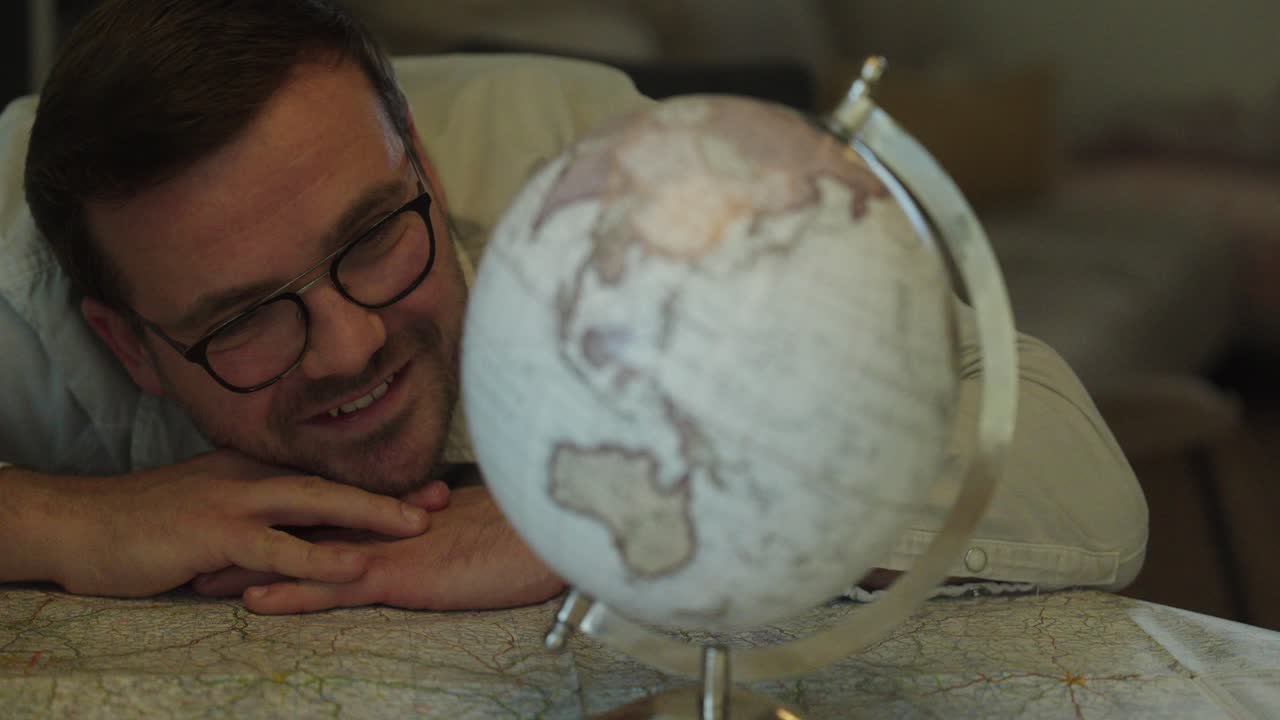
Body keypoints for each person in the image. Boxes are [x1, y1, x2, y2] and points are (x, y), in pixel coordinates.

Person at [0, 0, 1147, 616]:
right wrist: (55, 521)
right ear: (125, 345)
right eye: (243, 316)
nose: (349, 345)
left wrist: (605, 525)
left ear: (428, 178)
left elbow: (1058, 458)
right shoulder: (19, 277)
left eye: (369, 240)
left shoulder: (603, 176)